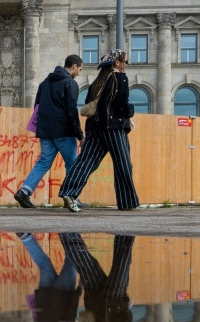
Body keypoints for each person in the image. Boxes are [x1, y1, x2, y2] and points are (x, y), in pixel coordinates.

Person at [58, 49, 139, 212]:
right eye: (125, 62)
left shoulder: (98, 81)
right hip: (114, 128)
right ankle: (127, 202)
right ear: (117, 63)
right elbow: (121, 105)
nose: (126, 65)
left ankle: (69, 193)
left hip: (94, 128)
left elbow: (89, 102)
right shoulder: (120, 78)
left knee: (86, 162)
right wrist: (130, 111)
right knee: (123, 164)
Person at [60, 232, 134, 322]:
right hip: (94, 299)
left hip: (112, 300)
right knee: (86, 263)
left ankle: (126, 230)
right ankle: (66, 234)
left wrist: (126, 308)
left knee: (123, 261)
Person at [15, 55, 84, 208]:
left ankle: (24, 192)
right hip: (64, 132)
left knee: (43, 162)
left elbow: (37, 108)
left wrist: (42, 127)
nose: (79, 72)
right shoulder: (70, 83)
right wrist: (80, 135)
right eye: (80, 69)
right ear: (74, 66)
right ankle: (71, 197)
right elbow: (72, 111)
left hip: (45, 132)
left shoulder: (44, 84)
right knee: (72, 164)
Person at [18, 232, 80, 322]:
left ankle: (70, 233)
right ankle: (26, 237)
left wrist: (78, 292)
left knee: (72, 262)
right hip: (45, 296)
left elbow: (70, 315)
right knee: (44, 264)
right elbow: (36, 319)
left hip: (62, 294)